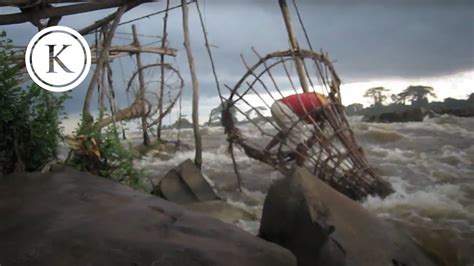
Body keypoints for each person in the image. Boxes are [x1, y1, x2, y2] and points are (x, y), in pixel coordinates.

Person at [264, 91, 330, 166]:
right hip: (284, 109)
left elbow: (319, 131)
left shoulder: (319, 97)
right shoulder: (323, 105)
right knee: (300, 145)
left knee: (287, 131)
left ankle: (266, 151)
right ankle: (300, 169)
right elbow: (319, 129)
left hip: (277, 106)